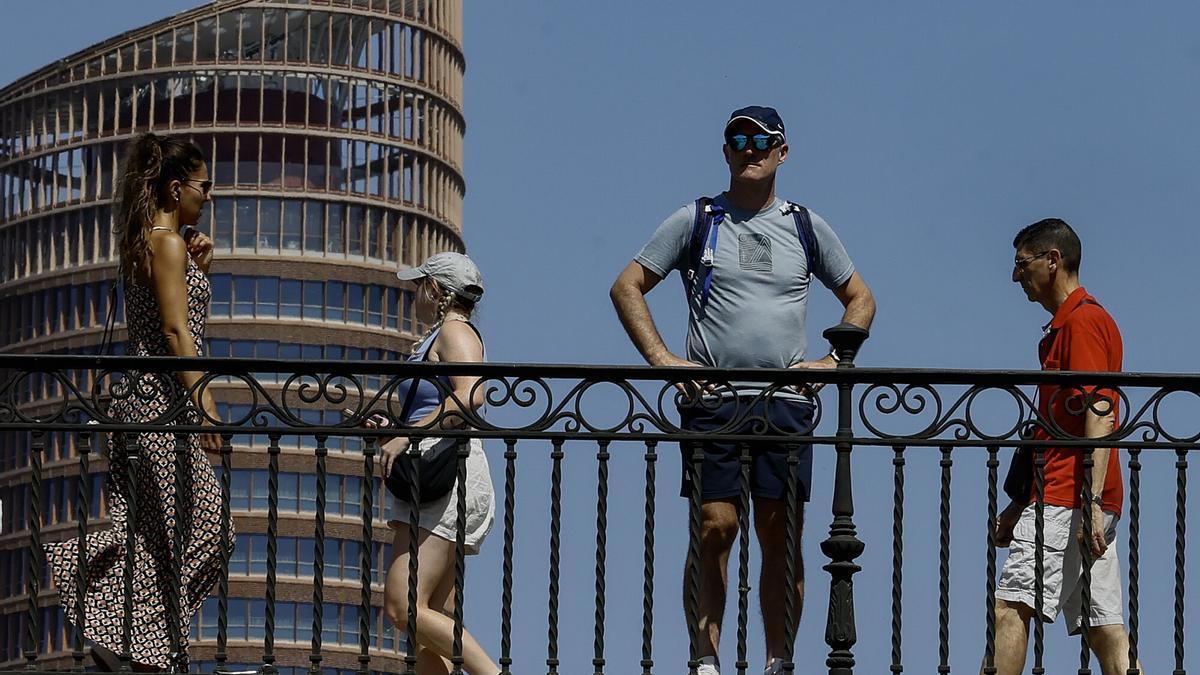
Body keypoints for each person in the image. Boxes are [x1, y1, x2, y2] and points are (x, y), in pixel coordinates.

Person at [609, 106, 875, 675]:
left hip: (786, 404)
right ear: (725, 152)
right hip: (713, 402)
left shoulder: (805, 224)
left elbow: (862, 298)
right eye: (738, 140)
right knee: (716, 527)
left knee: (781, 535)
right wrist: (664, 360)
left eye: (762, 140)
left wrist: (832, 362)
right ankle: (706, 658)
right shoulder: (697, 219)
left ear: (783, 151)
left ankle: (780, 660)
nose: (750, 148)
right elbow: (628, 285)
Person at [45, 132, 227, 671]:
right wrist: (205, 403)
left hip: (144, 405)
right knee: (206, 526)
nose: (207, 196)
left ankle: (140, 650)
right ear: (176, 188)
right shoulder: (164, 243)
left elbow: (175, 313)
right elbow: (175, 331)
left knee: (158, 534)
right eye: (202, 186)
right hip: (160, 406)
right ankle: (138, 648)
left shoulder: (158, 241)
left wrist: (199, 265)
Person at [987, 218, 1143, 675]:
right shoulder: (1068, 326)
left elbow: (1100, 412)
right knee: (1104, 628)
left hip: (1066, 494)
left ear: (1053, 261)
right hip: (1070, 494)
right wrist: (1017, 504)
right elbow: (1048, 425)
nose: (1016, 277)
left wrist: (1090, 503)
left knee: (1011, 608)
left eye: (1022, 264)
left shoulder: (1083, 323)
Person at [379, 252, 499, 675]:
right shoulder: (437, 337)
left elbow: (471, 395)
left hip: (445, 475)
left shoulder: (454, 331)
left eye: (418, 286)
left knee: (402, 605)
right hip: (437, 473)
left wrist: (406, 435)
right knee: (428, 618)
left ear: (435, 290)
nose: (414, 295)